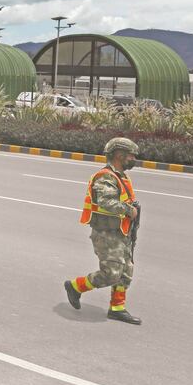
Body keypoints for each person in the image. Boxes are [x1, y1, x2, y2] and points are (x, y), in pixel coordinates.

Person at [63, 137, 142, 325]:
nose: (133, 159)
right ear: (119, 155)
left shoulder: (121, 176)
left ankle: (117, 308)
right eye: (130, 155)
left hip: (121, 232)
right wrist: (129, 210)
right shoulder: (106, 176)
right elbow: (106, 202)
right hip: (106, 233)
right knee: (111, 273)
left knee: (125, 271)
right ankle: (75, 287)